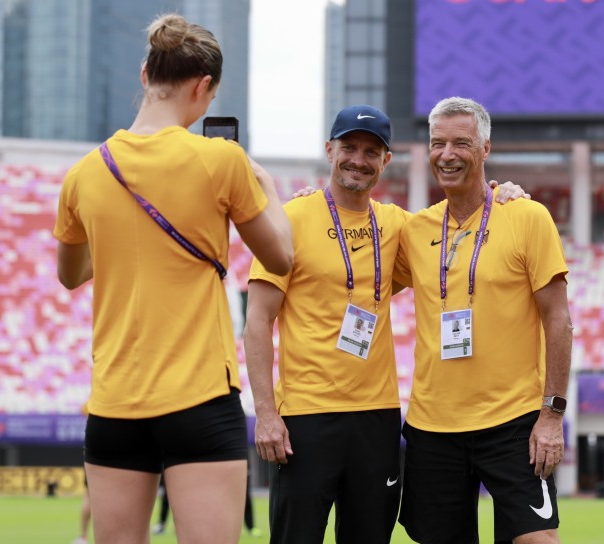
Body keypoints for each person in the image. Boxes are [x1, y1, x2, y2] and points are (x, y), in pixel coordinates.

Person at [54, 13, 293, 544]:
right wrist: (269, 191)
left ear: (145, 74)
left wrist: (120, 241)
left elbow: (70, 274)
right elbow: (280, 257)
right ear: (203, 87)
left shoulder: (84, 173)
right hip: (199, 395)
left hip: (115, 398)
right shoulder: (222, 160)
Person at [245, 104, 526, 544]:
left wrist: (504, 193)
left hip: (377, 418)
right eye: (349, 148)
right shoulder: (292, 218)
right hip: (305, 415)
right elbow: (257, 321)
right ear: (329, 150)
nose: (358, 160)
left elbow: (463, 234)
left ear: (386, 160)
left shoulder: (401, 226)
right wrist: (265, 413)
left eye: (371, 152)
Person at [395, 97, 572, 544]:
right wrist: (315, 202)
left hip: (513, 422)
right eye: (438, 143)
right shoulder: (414, 230)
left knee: (537, 539)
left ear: (486, 148)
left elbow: (559, 320)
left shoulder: (527, 216)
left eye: (461, 143)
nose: (447, 154)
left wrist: (552, 416)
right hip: (433, 426)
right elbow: (355, 266)